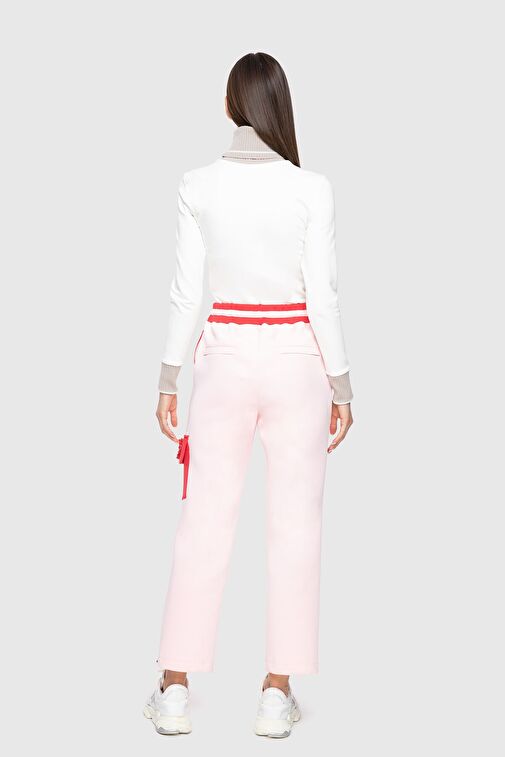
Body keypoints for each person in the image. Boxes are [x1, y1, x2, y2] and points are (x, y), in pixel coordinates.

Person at [144, 52, 354, 739]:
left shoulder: (197, 185)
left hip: (224, 359)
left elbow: (186, 292)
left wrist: (168, 375)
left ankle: (175, 689)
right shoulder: (311, 188)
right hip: (298, 360)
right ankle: (275, 692)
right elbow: (322, 294)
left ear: (231, 104)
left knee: (203, 519)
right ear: (279, 105)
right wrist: (341, 382)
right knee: (296, 524)